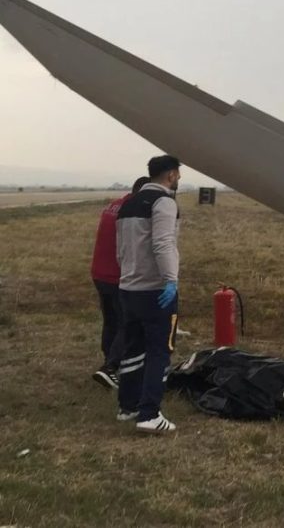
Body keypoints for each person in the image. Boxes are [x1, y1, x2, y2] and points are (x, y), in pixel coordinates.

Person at [115, 155, 183, 433]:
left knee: (132, 348)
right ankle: (149, 414)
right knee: (159, 351)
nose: (178, 178)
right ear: (171, 175)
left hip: (128, 287)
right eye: (178, 173)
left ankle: (127, 406)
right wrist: (171, 280)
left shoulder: (128, 204)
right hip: (155, 291)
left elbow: (120, 248)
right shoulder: (164, 202)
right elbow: (164, 243)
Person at [90, 176, 150, 389]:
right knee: (129, 322)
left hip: (99, 272)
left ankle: (109, 362)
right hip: (119, 275)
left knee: (111, 321)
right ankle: (110, 368)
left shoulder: (114, 205)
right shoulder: (134, 210)